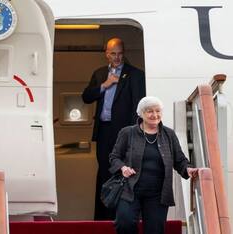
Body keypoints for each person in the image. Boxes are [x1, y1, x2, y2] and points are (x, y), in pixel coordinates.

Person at [109, 96, 199, 234]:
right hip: (130, 189)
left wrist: (187, 169)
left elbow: (179, 160)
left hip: (158, 193)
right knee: (124, 223)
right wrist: (123, 168)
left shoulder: (169, 134)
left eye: (158, 111)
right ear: (141, 113)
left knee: (155, 230)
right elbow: (114, 157)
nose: (154, 115)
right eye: (149, 111)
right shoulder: (128, 133)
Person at [82, 37, 146, 220]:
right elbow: (86, 97)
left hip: (125, 133)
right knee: (103, 171)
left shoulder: (135, 75)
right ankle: (102, 218)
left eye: (120, 54)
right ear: (106, 54)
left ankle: (123, 216)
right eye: (113, 54)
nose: (117, 58)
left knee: (124, 172)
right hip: (104, 131)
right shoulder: (100, 73)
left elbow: (138, 107)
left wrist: (136, 135)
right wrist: (104, 86)